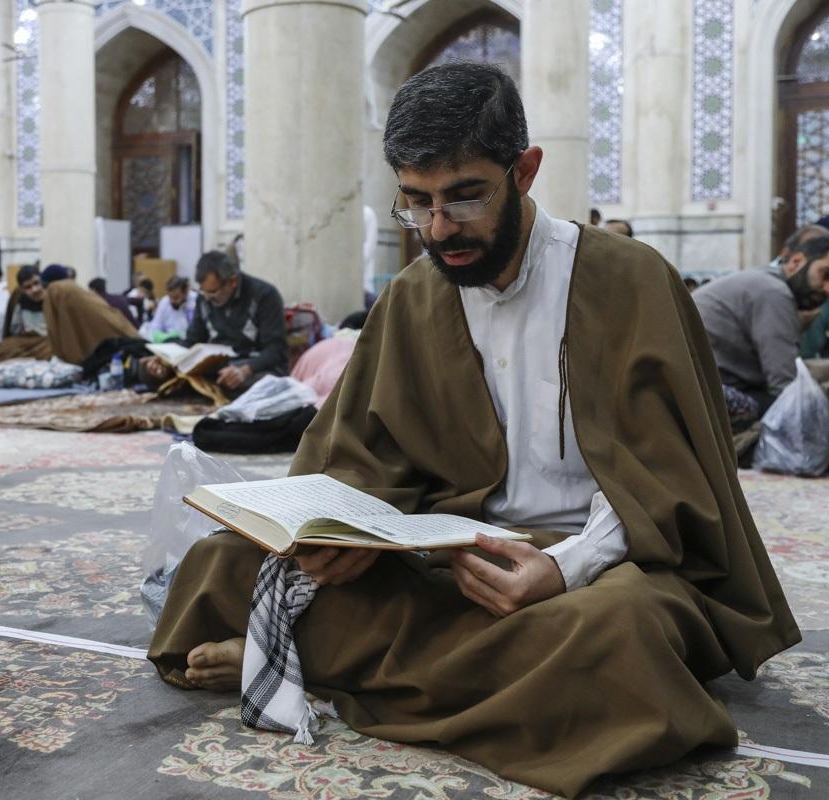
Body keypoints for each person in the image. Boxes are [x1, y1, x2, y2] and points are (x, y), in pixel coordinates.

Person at [148, 62, 798, 798]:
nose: (438, 229)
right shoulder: (412, 297)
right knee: (222, 563)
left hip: (602, 566)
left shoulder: (630, 280)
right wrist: (341, 533)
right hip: (447, 555)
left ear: (525, 171)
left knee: (623, 637)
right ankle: (347, 659)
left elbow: (671, 479)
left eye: (464, 197)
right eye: (416, 203)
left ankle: (302, 659)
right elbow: (360, 454)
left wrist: (565, 568)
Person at [693, 235, 829, 422]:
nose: (827, 289)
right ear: (796, 262)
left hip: (705, 384)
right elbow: (785, 386)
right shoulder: (774, 293)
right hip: (710, 393)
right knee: (803, 408)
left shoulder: (765, 281)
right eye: (825, 274)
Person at [140, 251, 288, 394]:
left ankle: (203, 388)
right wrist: (165, 360)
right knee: (147, 371)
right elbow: (193, 341)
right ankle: (202, 387)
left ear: (232, 282)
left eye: (213, 292)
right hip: (217, 365)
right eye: (203, 291)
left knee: (246, 382)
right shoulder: (203, 299)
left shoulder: (264, 295)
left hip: (252, 364)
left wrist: (245, 370)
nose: (207, 298)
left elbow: (276, 349)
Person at [0, 264, 138, 365]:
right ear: (22, 290)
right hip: (33, 341)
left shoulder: (60, 295)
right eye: (28, 287)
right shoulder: (19, 301)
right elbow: (15, 331)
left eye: (36, 283)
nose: (35, 290)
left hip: (54, 342)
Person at [140, 275, 195, 341]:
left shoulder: (195, 301)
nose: (172, 301)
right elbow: (155, 326)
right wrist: (159, 335)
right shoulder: (165, 302)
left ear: (185, 293)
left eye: (176, 298)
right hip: (169, 343)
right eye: (170, 297)